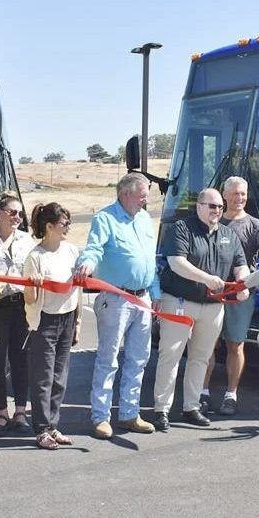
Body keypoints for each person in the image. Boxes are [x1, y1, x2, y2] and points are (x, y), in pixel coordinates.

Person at [153, 188, 250, 430]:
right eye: (211, 206)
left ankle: (191, 407)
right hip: (179, 302)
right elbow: (177, 263)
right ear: (199, 206)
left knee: (201, 358)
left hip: (213, 307)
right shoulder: (182, 228)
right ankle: (161, 409)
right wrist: (207, 278)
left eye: (219, 207)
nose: (216, 211)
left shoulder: (229, 235)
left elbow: (241, 265)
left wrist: (243, 283)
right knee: (171, 355)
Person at [76, 172, 159, 439]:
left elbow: (150, 259)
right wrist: (87, 263)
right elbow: (94, 249)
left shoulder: (145, 219)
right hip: (116, 299)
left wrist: (154, 291)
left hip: (143, 298)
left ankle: (129, 414)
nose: (145, 200)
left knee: (138, 358)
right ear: (125, 193)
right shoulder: (105, 218)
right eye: (142, 195)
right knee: (108, 359)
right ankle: (101, 416)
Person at [202, 177, 259, 416]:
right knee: (207, 345)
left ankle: (230, 395)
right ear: (224, 195)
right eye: (234, 194)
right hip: (211, 293)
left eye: (242, 194)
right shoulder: (211, 220)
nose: (239, 198)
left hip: (241, 296)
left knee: (236, 344)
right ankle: (202, 393)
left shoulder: (256, 225)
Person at [22, 202, 82, 449]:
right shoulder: (35, 257)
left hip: (67, 317)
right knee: (43, 377)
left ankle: (53, 425)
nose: (67, 227)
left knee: (60, 376)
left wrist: (77, 320)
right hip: (44, 321)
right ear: (49, 226)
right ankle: (41, 428)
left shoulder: (71, 251)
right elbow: (29, 299)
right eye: (64, 223)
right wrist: (33, 284)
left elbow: (76, 289)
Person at [0, 194, 36, 438]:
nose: (17, 218)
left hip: (21, 306)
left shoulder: (27, 240)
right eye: (13, 212)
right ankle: (1, 413)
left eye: (21, 214)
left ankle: (21, 412)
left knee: (21, 359)